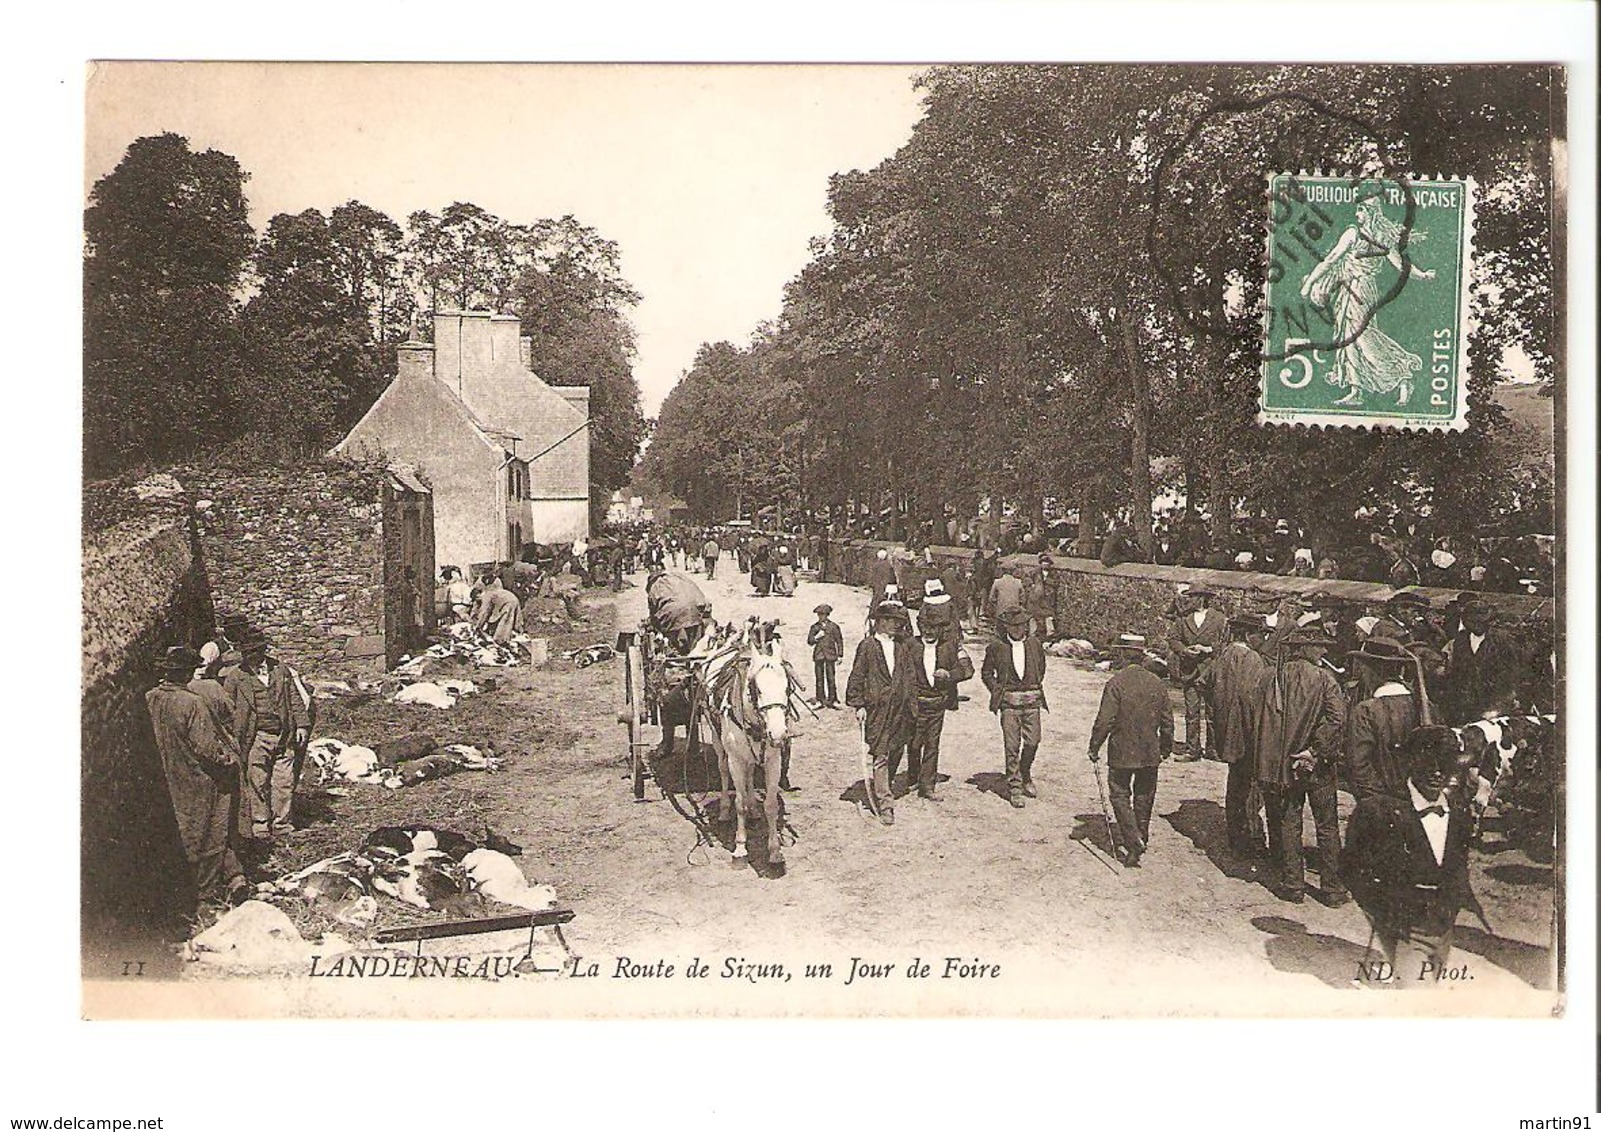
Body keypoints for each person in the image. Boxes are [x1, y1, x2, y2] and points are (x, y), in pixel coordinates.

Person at [1344, 726, 1485, 987]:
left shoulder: (1459, 811)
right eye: (1427, 763)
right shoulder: (1379, 811)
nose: (1436, 772)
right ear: (1410, 762)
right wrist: (1383, 913)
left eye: (1444, 764)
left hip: (1443, 927)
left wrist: (1453, 902)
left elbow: (1457, 865)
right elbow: (1352, 869)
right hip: (1403, 927)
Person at [1300, 192, 1437, 408]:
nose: (1357, 214)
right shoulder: (1355, 234)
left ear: (1372, 213)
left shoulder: (1375, 238)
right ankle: (1357, 390)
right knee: (1349, 337)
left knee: (1362, 336)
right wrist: (1311, 283)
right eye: (1357, 210)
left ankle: (1402, 374)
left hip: (1361, 290)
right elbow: (1331, 260)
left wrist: (1422, 275)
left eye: (1361, 210)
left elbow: (1401, 264)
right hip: (1350, 289)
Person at [148, 645, 249, 908]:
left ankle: (177, 891)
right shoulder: (191, 702)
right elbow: (206, 747)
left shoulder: (150, 698)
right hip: (196, 777)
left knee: (176, 831)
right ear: (185, 674)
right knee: (211, 833)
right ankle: (206, 894)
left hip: (165, 774)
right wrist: (229, 761)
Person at [1255, 626, 1350, 906]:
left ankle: (1293, 884)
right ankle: (1332, 889)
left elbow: (1259, 718)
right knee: (1327, 825)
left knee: (1289, 821)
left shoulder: (1270, 677)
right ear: (1304, 648)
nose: (1324, 651)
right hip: (1317, 765)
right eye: (1319, 646)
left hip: (1282, 765)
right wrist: (1314, 750)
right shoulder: (1325, 679)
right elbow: (1337, 720)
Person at [1088, 636, 1175, 867]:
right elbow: (1168, 721)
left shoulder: (1116, 683)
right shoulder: (1157, 683)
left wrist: (1094, 747)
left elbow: (1104, 721)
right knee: (1144, 795)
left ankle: (1132, 839)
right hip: (1149, 753)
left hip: (1121, 752)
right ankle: (1141, 835)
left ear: (1124, 655)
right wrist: (1165, 748)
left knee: (1119, 794)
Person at [223, 629, 311, 850]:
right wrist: (234, 735)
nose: (250, 656)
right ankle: (260, 824)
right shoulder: (235, 677)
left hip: (284, 733)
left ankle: (282, 823)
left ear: (263, 651)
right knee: (257, 780)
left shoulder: (280, 670)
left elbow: (294, 699)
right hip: (255, 736)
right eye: (246, 652)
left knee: (284, 780)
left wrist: (301, 724)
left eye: (254, 651)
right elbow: (227, 708)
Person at [846, 601, 915, 826]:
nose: (897, 626)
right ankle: (885, 803)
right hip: (878, 710)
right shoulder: (868, 646)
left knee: (896, 750)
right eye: (893, 622)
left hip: (901, 710)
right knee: (881, 754)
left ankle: (884, 785)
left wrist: (912, 701)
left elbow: (910, 675)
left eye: (899, 622)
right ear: (881, 622)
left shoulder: (902, 647)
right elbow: (857, 676)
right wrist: (859, 705)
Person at [1209, 613, 1270, 858]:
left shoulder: (1222, 656)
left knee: (1235, 784)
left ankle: (1236, 837)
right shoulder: (1252, 659)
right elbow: (1252, 699)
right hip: (1248, 733)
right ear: (1248, 634)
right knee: (1251, 787)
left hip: (1227, 732)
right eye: (1260, 634)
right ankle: (1250, 838)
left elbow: (1210, 690)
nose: (1263, 639)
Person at [1345, 637, 1431, 802]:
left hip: (1382, 806)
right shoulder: (1425, 706)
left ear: (1372, 670)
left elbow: (1358, 765)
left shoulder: (1366, 711)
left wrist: (1377, 800)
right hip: (1420, 803)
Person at [981, 606, 1049, 809]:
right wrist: (998, 691)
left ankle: (1025, 772)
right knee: (1012, 747)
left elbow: (1041, 668)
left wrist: (1032, 686)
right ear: (1006, 627)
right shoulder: (996, 647)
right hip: (1009, 704)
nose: (1017, 630)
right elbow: (986, 673)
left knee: (1033, 741)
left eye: (1020, 625)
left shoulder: (1034, 644)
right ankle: (1015, 788)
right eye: (1013, 626)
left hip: (1031, 701)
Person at [904, 598, 966, 801]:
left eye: (933, 628)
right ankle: (913, 777)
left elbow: (967, 669)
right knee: (913, 744)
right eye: (925, 627)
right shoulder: (909, 645)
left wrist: (950, 675)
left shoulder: (950, 646)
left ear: (941, 629)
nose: (929, 632)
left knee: (932, 744)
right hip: (915, 704)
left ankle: (927, 785)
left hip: (936, 704)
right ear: (919, 626)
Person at [1170, 585, 1227, 761]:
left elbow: (1225, 643)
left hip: (1210, 670)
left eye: (1193, 597)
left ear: (1202, 598)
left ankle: (1213, 749)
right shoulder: (1183, 618)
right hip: (1190, 670)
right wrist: (1184, 651)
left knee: (1212, 712)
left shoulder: (1219, 619)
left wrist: (1208, 649)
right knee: (1191, 711)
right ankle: (1192, 749)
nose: (1189, 600)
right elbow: (1173, 639)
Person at [1442, 597, 1520, 724]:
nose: (1478, 625)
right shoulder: (1460, 641)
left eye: (1482, 621)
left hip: (1493, 704)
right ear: (1466, 622)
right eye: (1473, 622)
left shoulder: (1502, 641)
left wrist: (1498, 707)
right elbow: (1455, 673)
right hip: (1465, 705)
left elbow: (1511, 676)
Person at [646, 566, 710, 654]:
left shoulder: (655, 586)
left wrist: (654, 627)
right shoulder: (680, 578)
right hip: (696, 609)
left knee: (671, 637)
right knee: (694, 641)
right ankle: (693, 653)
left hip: (672, 613)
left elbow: (653, 614)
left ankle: (675, 652)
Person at [807, 603, 844, 709]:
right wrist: (816, 637)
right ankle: (820, 699)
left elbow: (839, 641)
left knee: (831, 678)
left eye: (823, 615)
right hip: (819, 656)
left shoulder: (834, 627)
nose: (821, 617)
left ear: (827, 615)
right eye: (819, 615)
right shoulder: (814, 627)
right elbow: (809, 641)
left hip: (830, 656)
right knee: (819, 679)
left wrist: (840, 655)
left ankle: (833, 699)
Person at [473, 573, 522, 643]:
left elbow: (484, 613)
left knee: (503, 630)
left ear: (478, 595)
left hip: (508, 603)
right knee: (513, 624)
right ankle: (516, 637)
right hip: (513, 599)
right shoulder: (494, 591)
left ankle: (502, 642)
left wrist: (478, 626)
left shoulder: (486, 596)